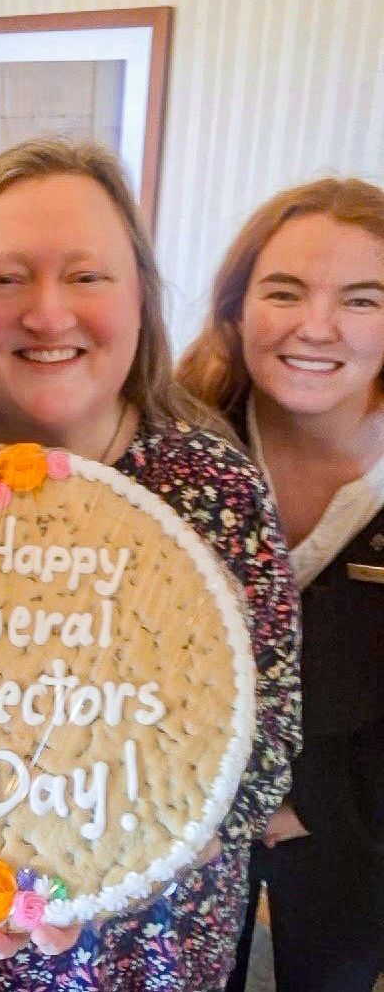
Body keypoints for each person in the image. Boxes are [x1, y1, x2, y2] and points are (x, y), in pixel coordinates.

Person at [0, 138, 301, 991]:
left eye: (86, 275)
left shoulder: (213, 487)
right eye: (3, 279)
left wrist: (128, 865)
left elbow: (266, 736)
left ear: (140, 295)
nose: (48, 313)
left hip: (140, 944)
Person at [178, 178, 384, 992]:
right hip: (182, 816)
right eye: (283, 291)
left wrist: (310, 810)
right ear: (234, 311)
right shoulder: (177, 452)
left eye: (361, 300)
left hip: (357, 828)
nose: (316, 327)